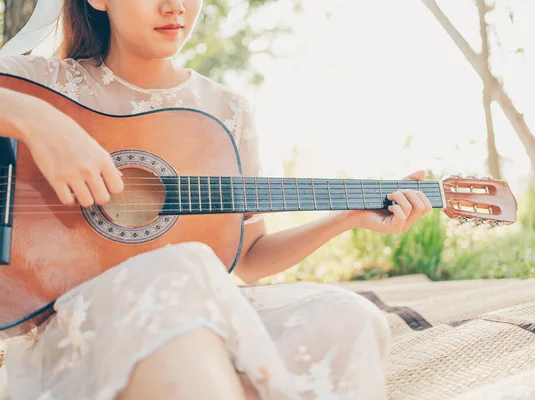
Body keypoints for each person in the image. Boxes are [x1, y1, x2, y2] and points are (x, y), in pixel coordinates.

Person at [0, 0, 433, 399]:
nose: (176, 6)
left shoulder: (226, 111)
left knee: (349, 316)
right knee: (181, 268)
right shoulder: (40, 83)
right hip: (75, 323)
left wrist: (348, 216)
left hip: (184, 303)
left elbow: (249, 256)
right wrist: (39, 122)